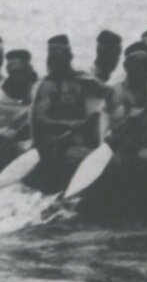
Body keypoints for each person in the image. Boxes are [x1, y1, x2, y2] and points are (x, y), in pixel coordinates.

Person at [30, 34, 110, 176]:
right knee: (94, 159)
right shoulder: (47, 85)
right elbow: (40, 119)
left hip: (77, 140)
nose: (57, 63)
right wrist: (70, 124)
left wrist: (98, 85)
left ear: (69, 57)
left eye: (61, 59)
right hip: (54, 144)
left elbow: (111, 95)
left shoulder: (83, 79)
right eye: (54, 59)